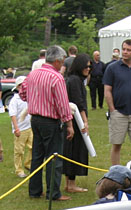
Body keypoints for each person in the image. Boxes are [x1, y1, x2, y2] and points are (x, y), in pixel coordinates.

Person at [19, 45, 74, 201]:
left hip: (35, 119)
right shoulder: (56, 77)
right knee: (54, 157)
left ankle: (35, 190)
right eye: (62, 61)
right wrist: (69, 125)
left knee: (37, 155)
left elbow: (22, 94)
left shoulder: (32, 74)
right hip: (50, 121)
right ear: (57, 60)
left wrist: (35, 99)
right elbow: (63, 105)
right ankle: (53, 193)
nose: (63, 64)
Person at [63, 53, 90, 193]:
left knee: (70, 150)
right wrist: (85, 122)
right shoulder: (74, 81)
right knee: (74, 150)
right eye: (86, 66)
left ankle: (69, 183)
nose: (88, 69)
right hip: (75, 120)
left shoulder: (74, 79)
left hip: (72, 119)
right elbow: (78, 103)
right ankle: (71, 184)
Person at [8, 76, 32, 178]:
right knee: (19, 151)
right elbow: (12, 115)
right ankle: (19, 170)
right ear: (18, 87)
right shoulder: (15, 100)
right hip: (20, 129)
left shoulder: (30, 97)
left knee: (34, 147)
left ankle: (28, 164)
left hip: (30, 127)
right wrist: (16, 128)